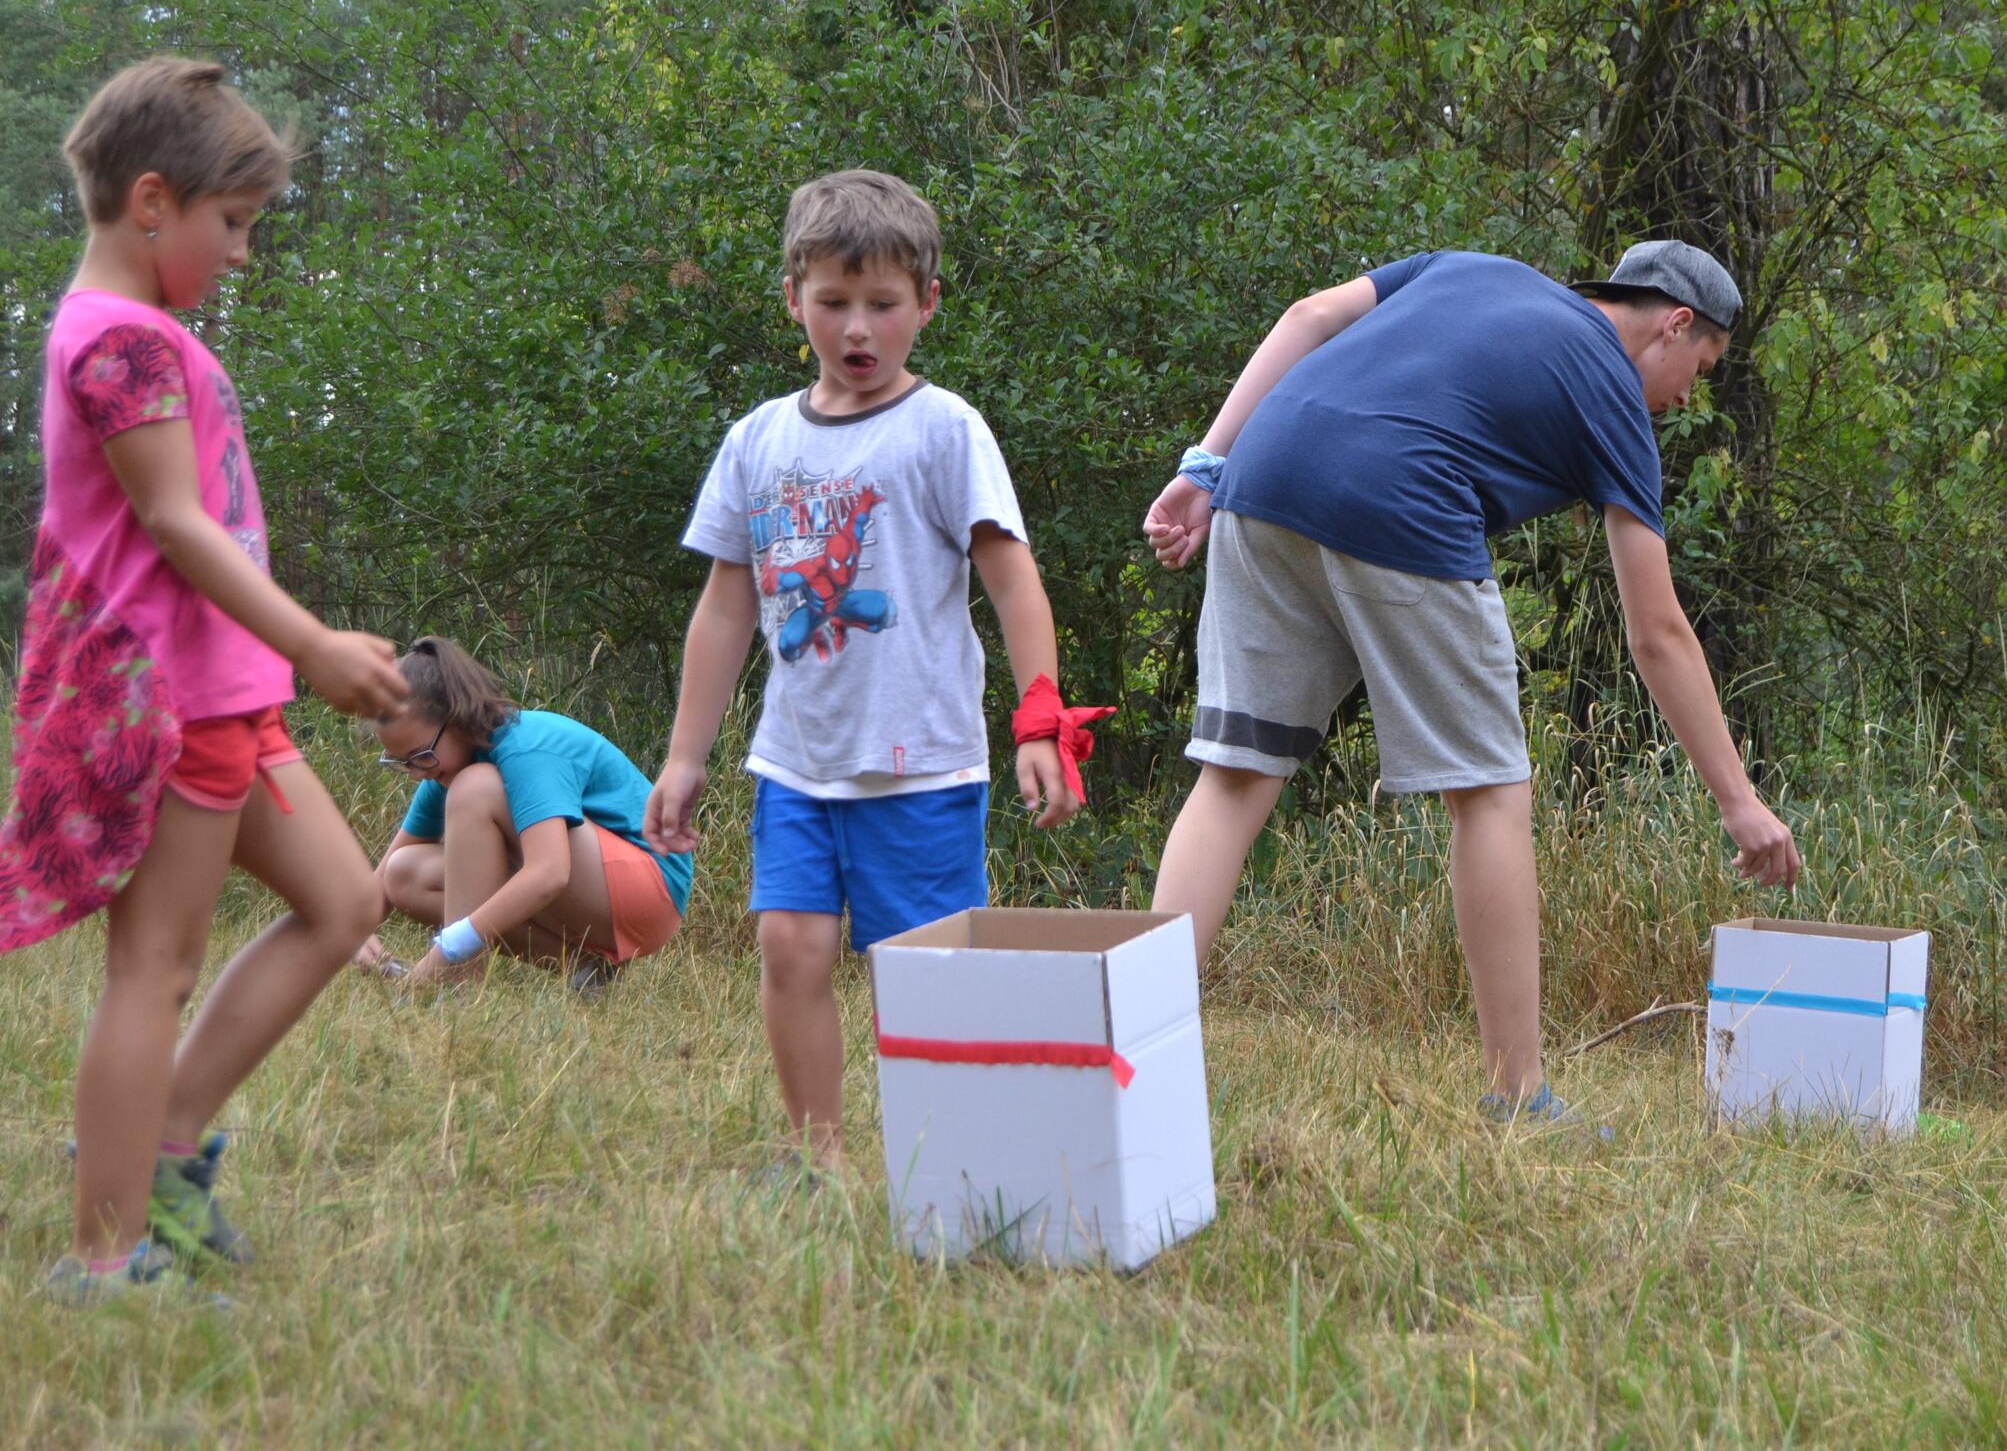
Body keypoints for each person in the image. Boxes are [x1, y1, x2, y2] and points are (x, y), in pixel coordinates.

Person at [1141, 242, 1803, 1123]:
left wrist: (1203, 468)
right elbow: (1658, 632)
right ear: (1674, 323)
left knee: (1234, 773)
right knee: (1489, 793)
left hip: (1263, 472)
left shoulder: (1471, 269)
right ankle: (1520, 1095)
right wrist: (1738, 800)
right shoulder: (1610, 392)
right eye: (1702, 367)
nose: (1690, 396)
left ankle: (1131, 1051)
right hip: (1403, 499)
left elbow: (1308, 317)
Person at [0, 58, 411, 1304]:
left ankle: (162, 1151)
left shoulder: (145, 332)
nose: (242, 253)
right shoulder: (118, 342)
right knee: (155, 967)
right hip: (165, 700)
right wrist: (317, 644)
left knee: (346, 904)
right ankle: (105, 1252)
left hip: (227, 694)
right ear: (151, 202)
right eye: (231, 225)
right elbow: (178, 524)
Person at [645, 169, 1106, 1170]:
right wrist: (686, 757)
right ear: (792, 297)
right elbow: (727, 606)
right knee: (789, 949)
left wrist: (1040, 718)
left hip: (921, 764)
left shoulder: (943, 430)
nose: (858, 327)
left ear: (927, 303)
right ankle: (820, 1158)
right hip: (796, 765)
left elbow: (1014, 582)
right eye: (833, 301)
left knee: (929, 974)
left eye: (884, 305)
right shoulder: (756, 441)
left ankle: (959, 1164)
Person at [351, 637, 693, 992]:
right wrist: (351, 935)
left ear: (456, 716)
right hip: (596, 885)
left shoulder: (522, 748)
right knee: (403, 873)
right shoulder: (445, 767)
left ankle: (458, 983)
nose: (418, 772)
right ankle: (584, 972)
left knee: (475, 788)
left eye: (421, 755)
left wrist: (445, 952)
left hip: (650, 889)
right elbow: (385, 879)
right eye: (402, 763)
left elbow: (550, 873)